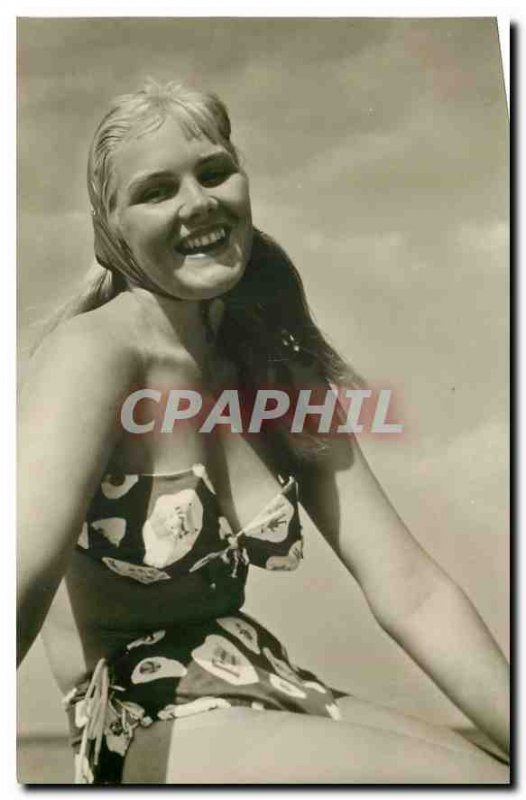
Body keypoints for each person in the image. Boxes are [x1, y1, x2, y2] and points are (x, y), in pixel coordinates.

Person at [17, 80, 510, 785]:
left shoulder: (275, 365)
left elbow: (411, 591)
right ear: (111, 231)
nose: (198, 202)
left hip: (271, 678)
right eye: (157, 191)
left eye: (214, 172)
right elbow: (18, 577)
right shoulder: (95, 355)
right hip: (138, 713)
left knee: (494, 768)